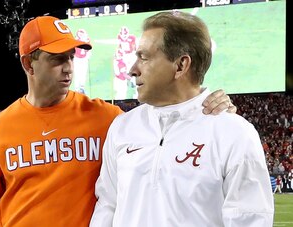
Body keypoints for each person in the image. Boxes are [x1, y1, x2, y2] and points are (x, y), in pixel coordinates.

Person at [0, 15, 236, 226]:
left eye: (71, 57)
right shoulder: (0, 128)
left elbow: (166, 126)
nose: (68, 67)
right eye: (57, 59)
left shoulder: (109, 119)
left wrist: (206, 105)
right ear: (28, 64)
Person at [90, 11, 274, 227]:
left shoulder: (234, 133)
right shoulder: (122, 127)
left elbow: (250, 220)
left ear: (180, 65)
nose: (132, 70)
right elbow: (108, 206)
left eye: (144, 57)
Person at [73, 28, 92, 94]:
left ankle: (82, 88)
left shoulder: (86, 39)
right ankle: (76, 89)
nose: (80, 34)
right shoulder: (75, 40)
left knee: (83, 73)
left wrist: (88, 56)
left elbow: (89, 49)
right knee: (77, 74)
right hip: (77, 58)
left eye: (82, 33)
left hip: (84, 59)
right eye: (79, 33)